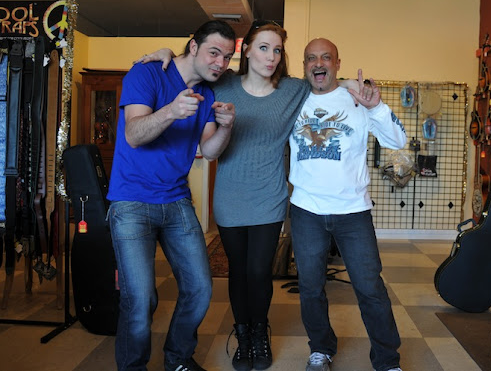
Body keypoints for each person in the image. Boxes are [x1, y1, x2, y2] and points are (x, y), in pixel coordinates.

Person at [138, 20, 310, 371]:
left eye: (277, 50)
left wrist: (357, 85)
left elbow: (327, 83)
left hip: (269, 196)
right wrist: (167, 52)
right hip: (230, 196)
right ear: (246, 51)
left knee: (259, 271)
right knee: (238, 271)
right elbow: (192, 65)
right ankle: (242, 335)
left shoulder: (293, 90)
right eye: (263, 47)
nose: (271, 56)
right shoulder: (223, 83)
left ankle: (259, 333)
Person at [106, 19, 237, 371]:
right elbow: (134, 134)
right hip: (131, 202)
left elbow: (210, 151)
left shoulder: (207, 92)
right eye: (214, 53)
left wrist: (226, 128)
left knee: (200, 289)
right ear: (193, 46)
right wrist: (171, 111)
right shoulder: (146, 73)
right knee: (140, 299)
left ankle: (178, 359)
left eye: (227, 57)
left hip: (177, 201)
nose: (220, 63)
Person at [288, 38, 406, 371]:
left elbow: (397, 140)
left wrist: (376, 107)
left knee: (370, 288)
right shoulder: (293, 99)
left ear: (337, 63)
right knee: (310, 288)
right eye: (311, 58)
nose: (318, 63)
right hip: (306, 209)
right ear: (304, 65)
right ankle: (320, 349)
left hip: (353, 211)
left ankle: (387, 361)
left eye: (326, 57)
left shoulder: (358, 97)